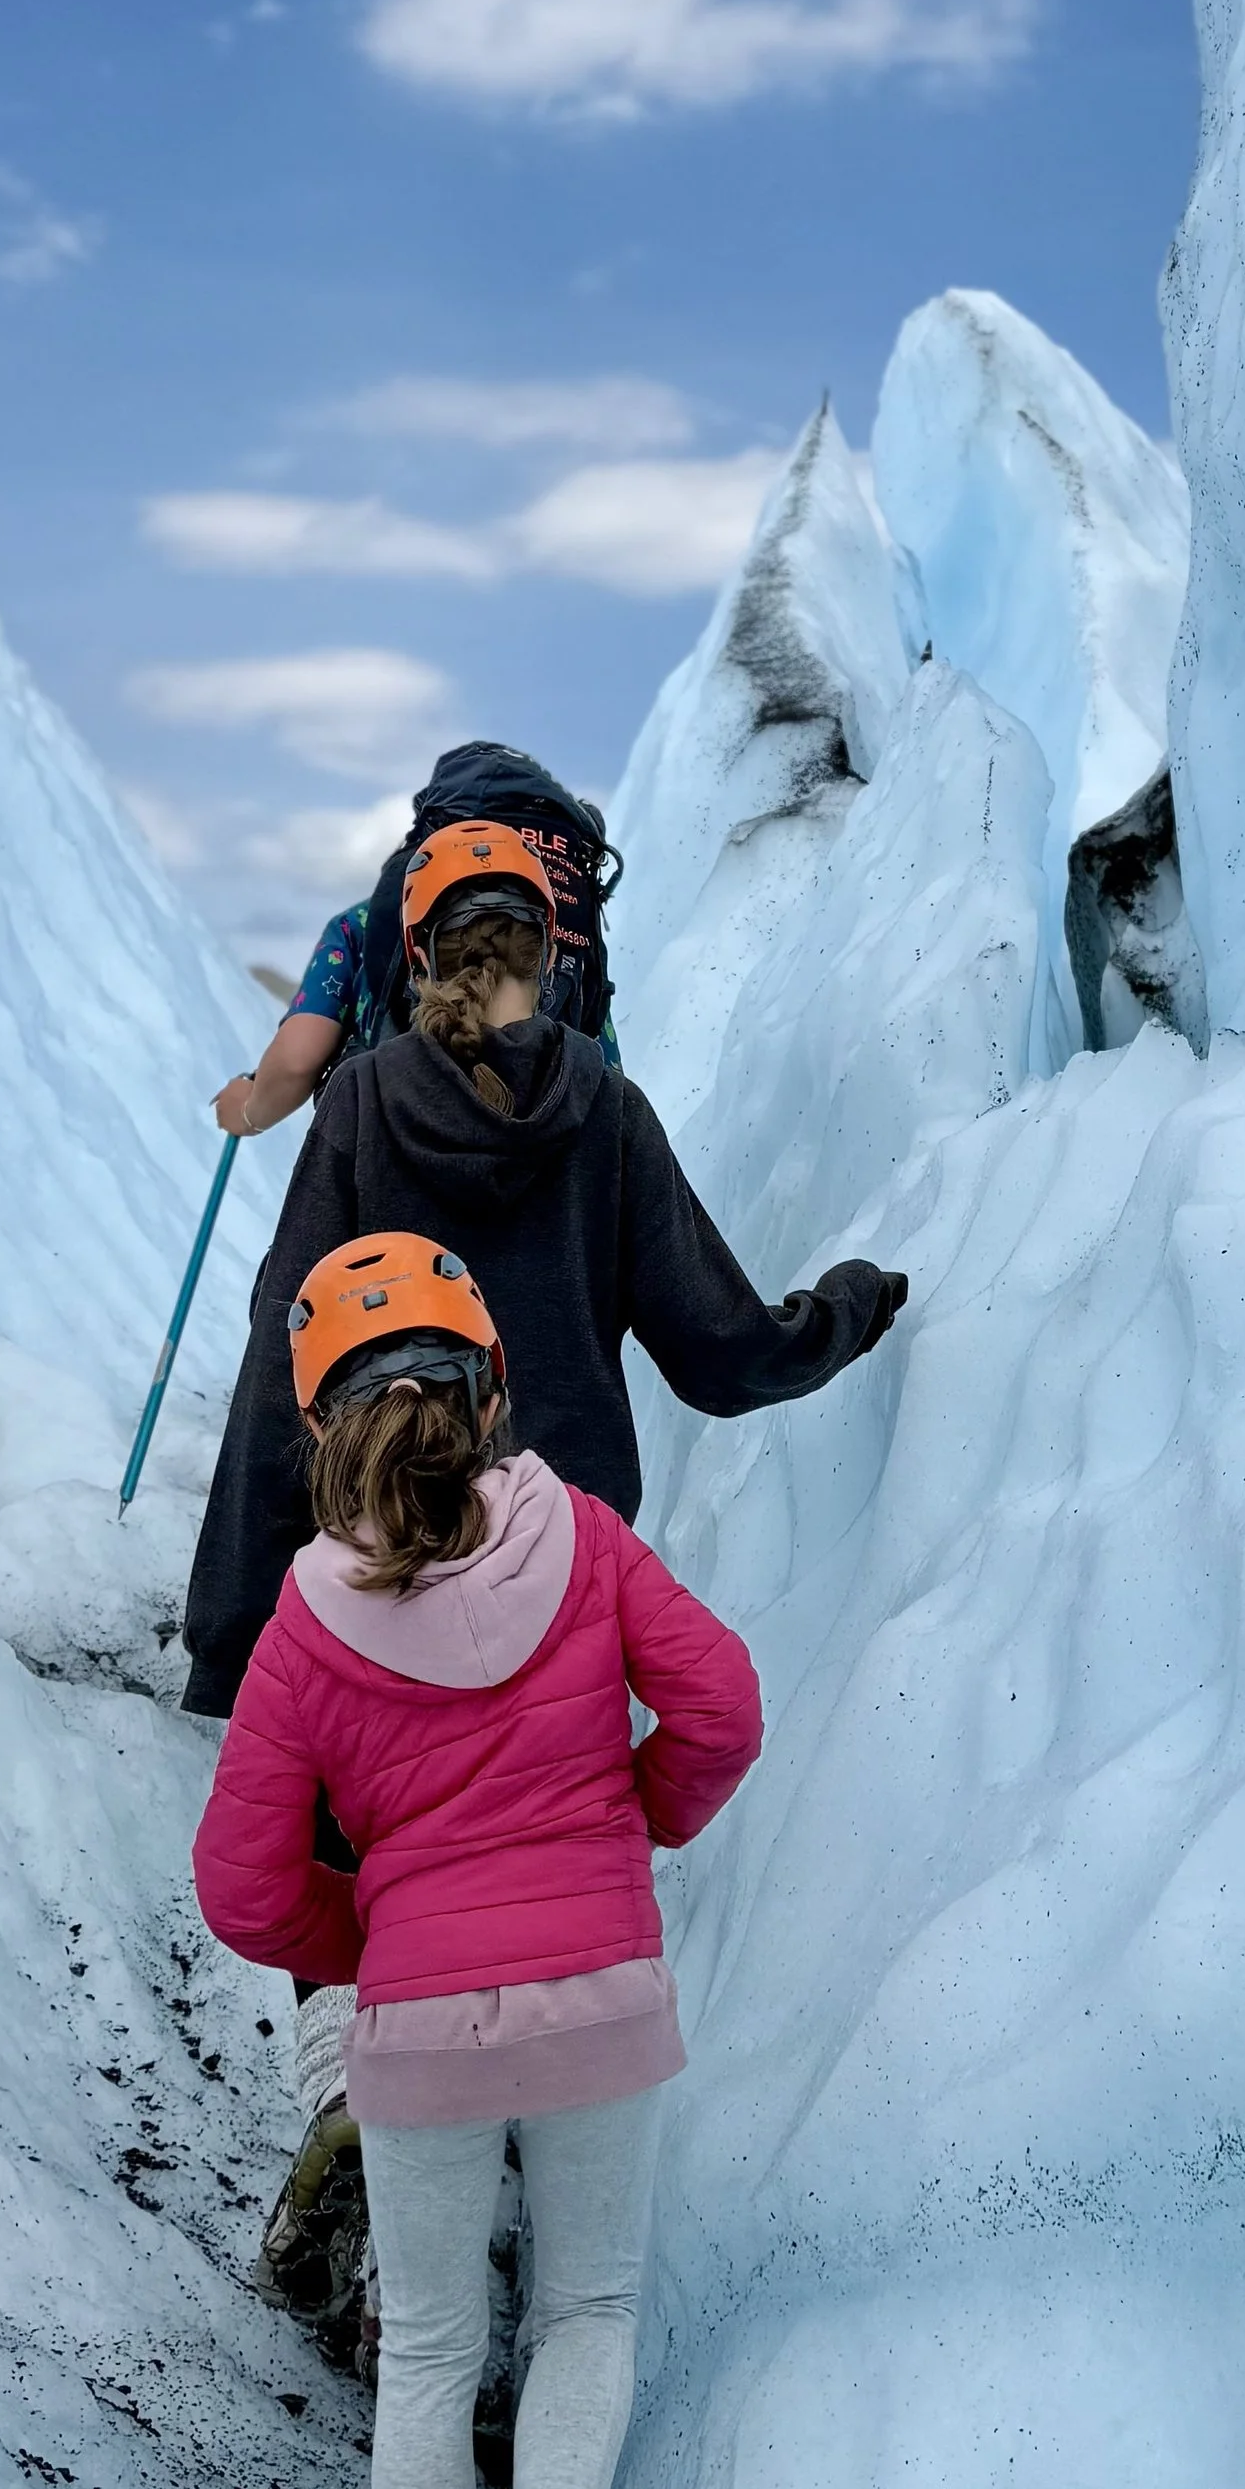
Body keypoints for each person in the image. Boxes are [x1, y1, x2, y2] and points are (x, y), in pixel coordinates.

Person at [183, 818, 903, 2353]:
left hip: (375, 1559)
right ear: (561, 953)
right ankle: (510, 2232)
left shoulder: (368, 1102)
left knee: (371, 1852)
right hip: (567, 1562)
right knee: (531, 1873)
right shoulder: (612, 1114)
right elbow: (722, 1351)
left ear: (418, 958)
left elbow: (278, 1342)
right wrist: (839, 1311)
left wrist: (237, 1618)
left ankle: (373, 2130)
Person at [191, 1229, 765, 2489]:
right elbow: (720, 1705)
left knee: (432, 2358)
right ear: (493, 1389)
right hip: (603, 1993)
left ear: (321, 1434)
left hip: (422, 2034)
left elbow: (238, 1890)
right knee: (588, 2313)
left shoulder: (305, 1632)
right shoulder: (580, 1542)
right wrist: (633, 1824)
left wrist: (369, 1927)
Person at [210, 740, 621, 1141]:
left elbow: (298, 1060)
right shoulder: (568, 940)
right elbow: (611, 1087)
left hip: (392, 1158)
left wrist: (248, 1111)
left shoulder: (362, 924)